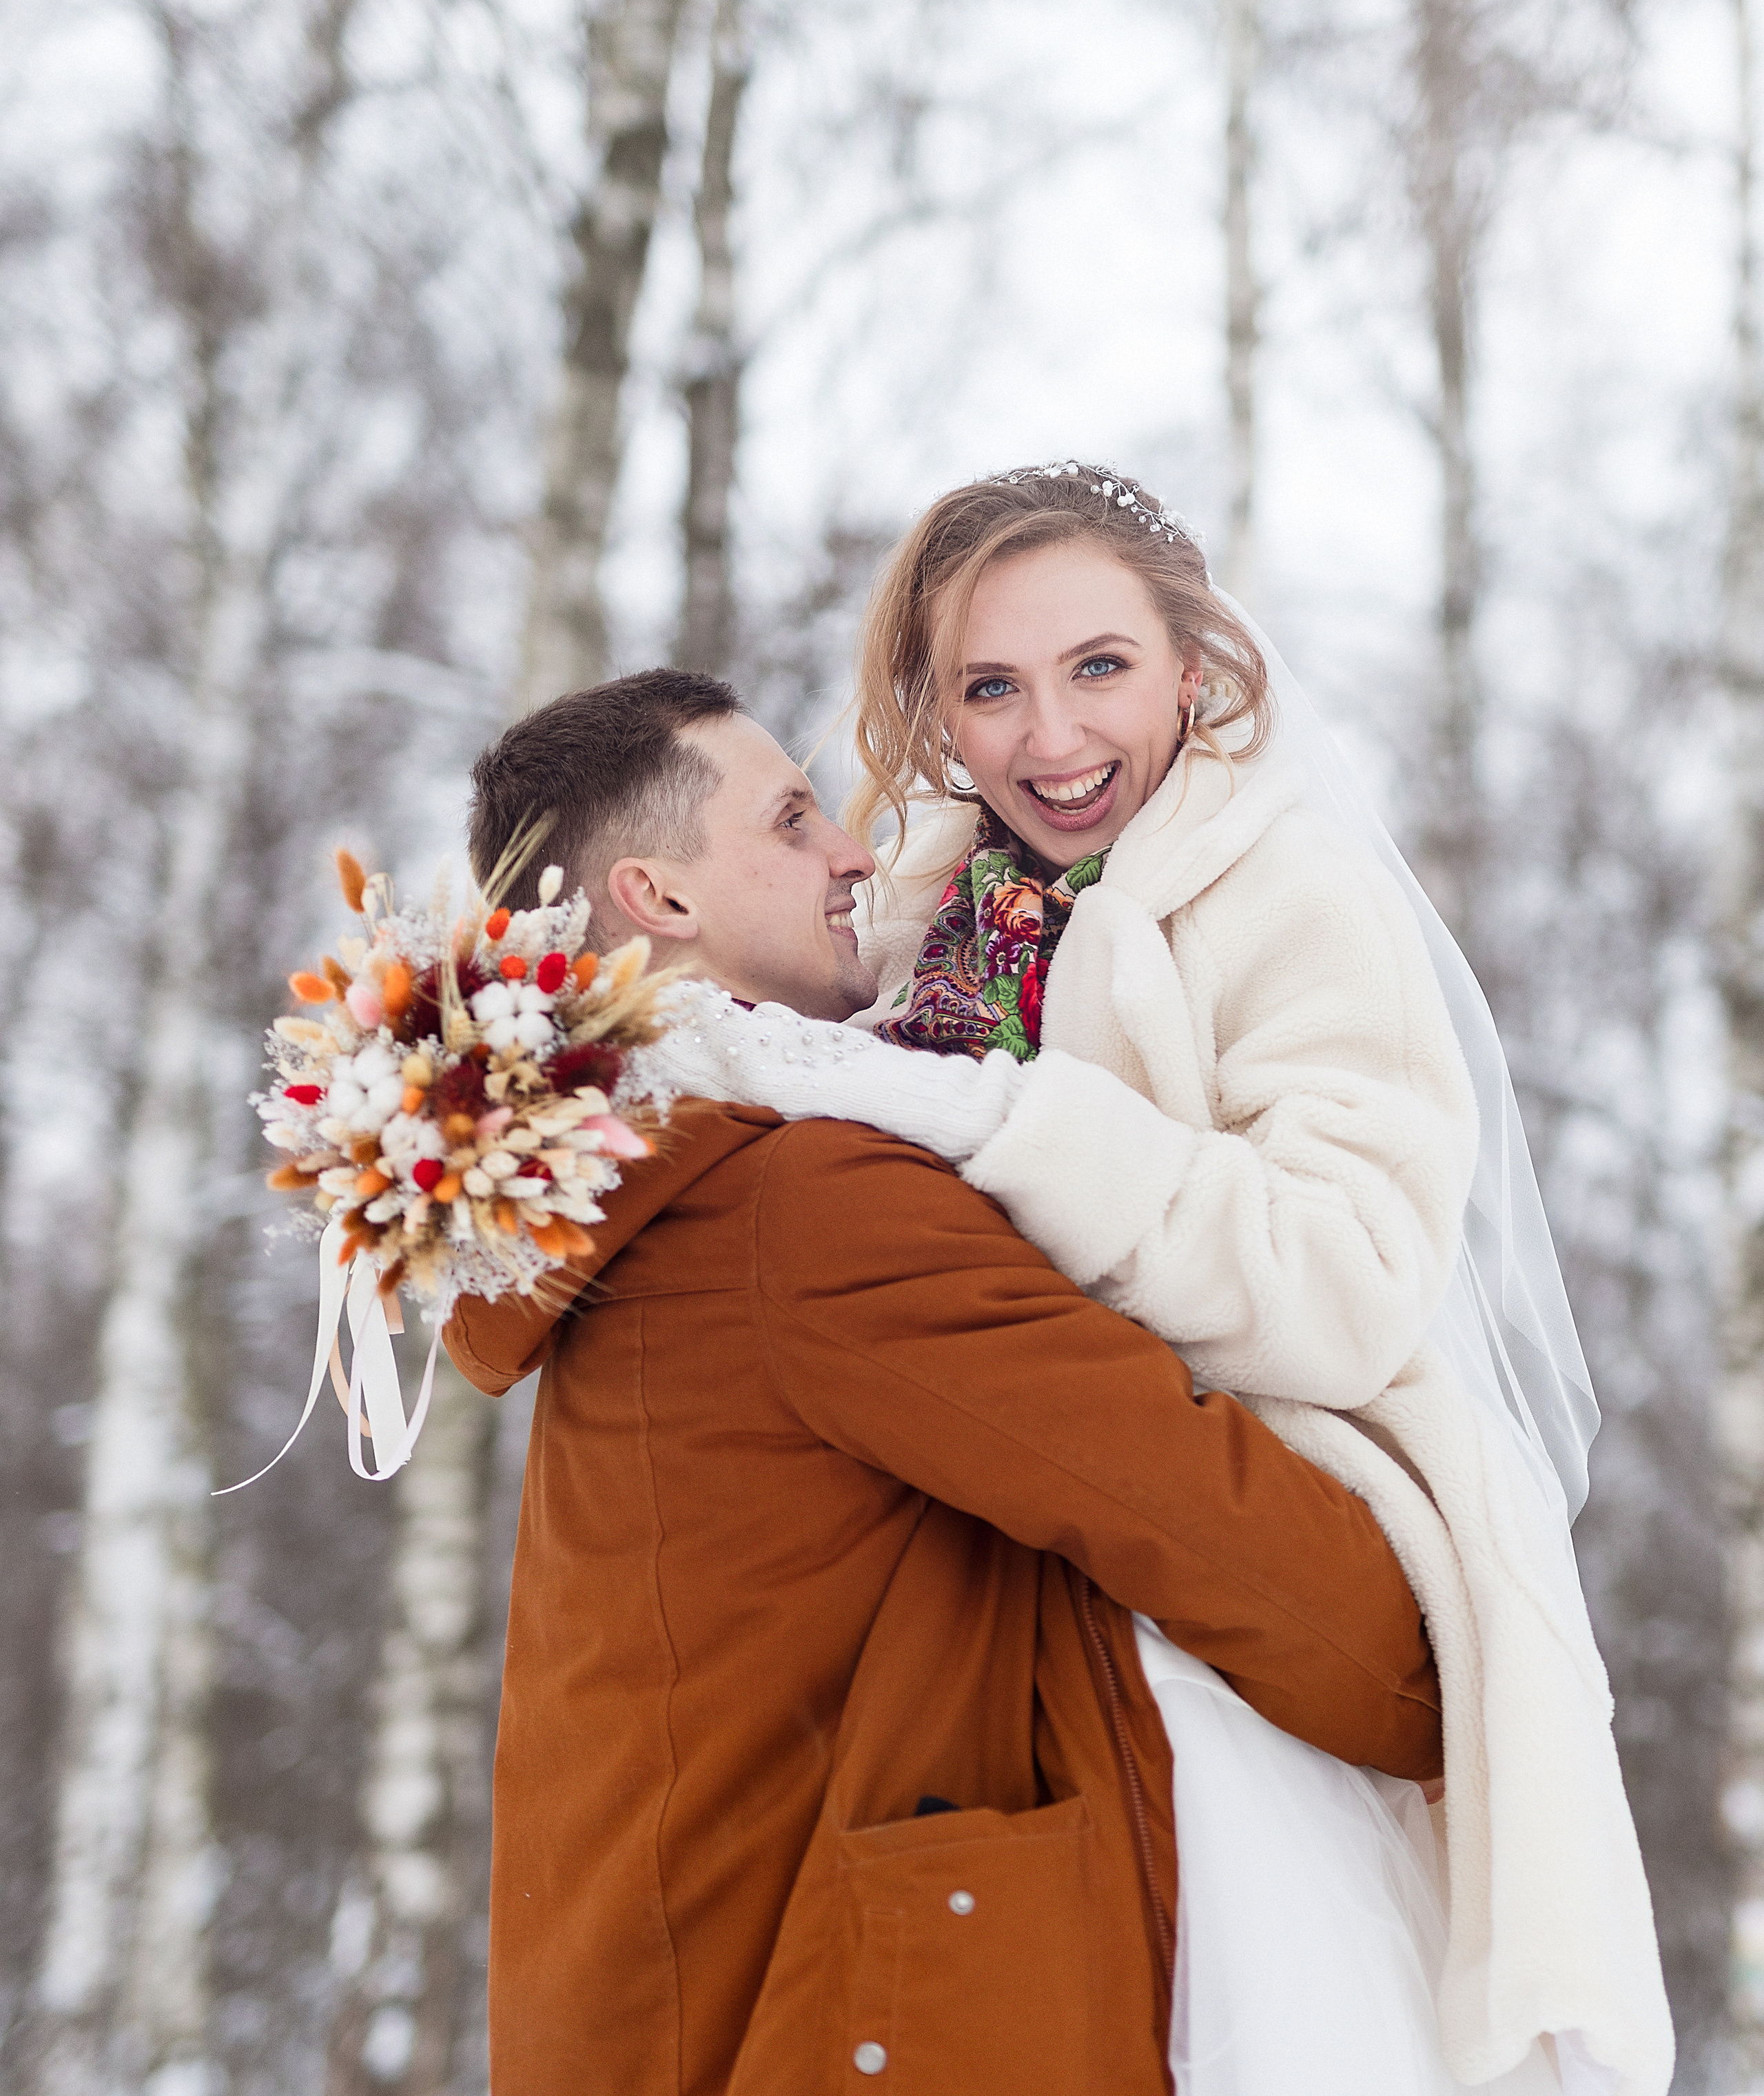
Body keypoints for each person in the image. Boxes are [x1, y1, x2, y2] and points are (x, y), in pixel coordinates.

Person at [648, 465, 1672, 2096]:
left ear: (1192, 665)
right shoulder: (931, 899)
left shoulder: (1294, 894)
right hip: (1001, 1506)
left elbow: (1343, 1280)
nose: (1050, 739)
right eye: (991, 687)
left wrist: (1005, 1121)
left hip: (1243, 1511)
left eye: (1098, 669)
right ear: (934, 707)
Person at [447, 668, 1446, 2096]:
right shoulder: (796, 1207)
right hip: (841, 2016)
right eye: (789, 820)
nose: (851, 848)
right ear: (659, 900)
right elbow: (1190, 1507)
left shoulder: (634, 1202)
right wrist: (1452, 1697)